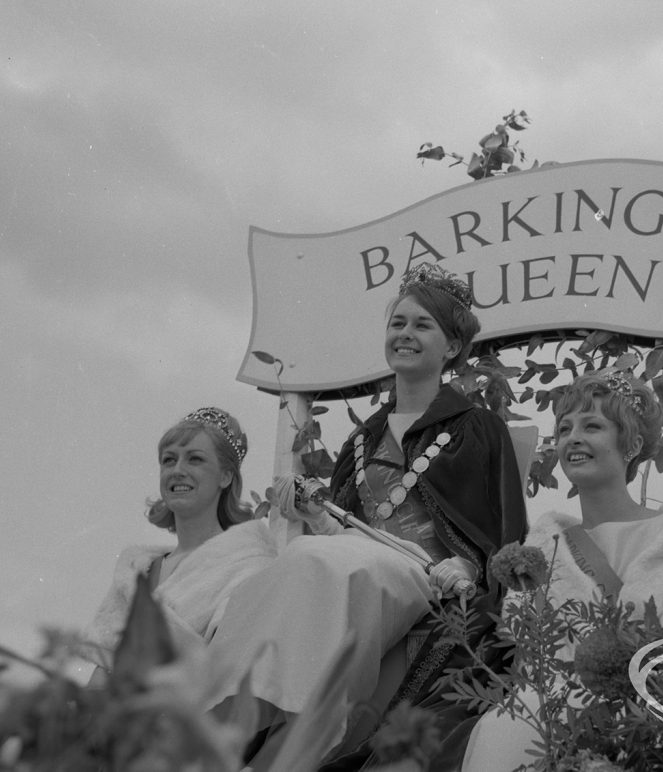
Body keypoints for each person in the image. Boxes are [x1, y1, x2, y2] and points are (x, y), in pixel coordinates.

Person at [203, 263, 529, 769]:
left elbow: (501, 525)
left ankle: (301, 714)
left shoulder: (478, 428)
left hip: (427, 578)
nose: (404, 334)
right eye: (397, 323)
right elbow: (350, 526)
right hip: (360, 566)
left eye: (422, 325)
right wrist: (314, 512)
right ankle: (239, 705)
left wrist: (468, 566)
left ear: (451, 347)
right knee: (276, 576)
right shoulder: (362, 438)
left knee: (317, 561)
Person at [460, 369, 663, 770]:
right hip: (559, 741)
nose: (572, 437)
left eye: (592, 426)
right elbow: (531, 674)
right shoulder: (542, 549)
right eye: (563, 428)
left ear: (632, 444)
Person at [85, 407, 275, 680]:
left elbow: (232, 675)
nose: (178, 470)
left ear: (226, 476)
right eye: (169, 460)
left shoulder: (249, 567)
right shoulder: (137, 570)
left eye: (195, 459)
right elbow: (102, 673)